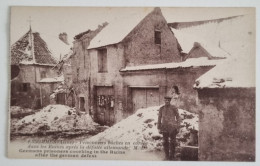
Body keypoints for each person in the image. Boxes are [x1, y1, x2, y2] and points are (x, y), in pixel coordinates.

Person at [158, 95, 180, 160]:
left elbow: (178, 117)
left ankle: (172, 155)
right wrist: (159, 127)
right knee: (165, 142)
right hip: (164, 127)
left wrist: (178, 126)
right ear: (164, 101)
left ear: (170, 101)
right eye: (166, 100)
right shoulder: (161, 108)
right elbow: (159, 118)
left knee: (173, 142)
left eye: (168, 100)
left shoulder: (174, 108)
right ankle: (166, 155)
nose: (167, 101)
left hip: (172, 127)